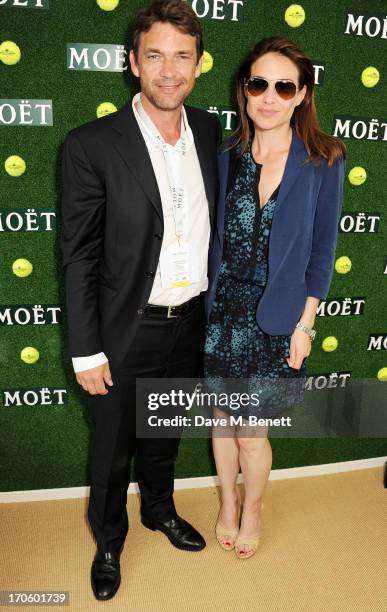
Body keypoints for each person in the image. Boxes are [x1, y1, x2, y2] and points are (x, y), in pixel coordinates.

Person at [61, 0, 221, 601]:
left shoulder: (210, 131)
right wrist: (85, 351)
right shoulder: (91, 144)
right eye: (155, 55)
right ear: (134, 63)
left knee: (165, 436)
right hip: (125, 329)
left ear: (199, 65)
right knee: (111, 451)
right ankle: (108, 541)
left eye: (182, 56)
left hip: (191, 323)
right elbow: (78, 255)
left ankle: (159, 510)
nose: (169, 70)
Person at [204, 37, 346, 559]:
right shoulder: (226, 154)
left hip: (277, 319)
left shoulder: (324, 160)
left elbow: (323, 251)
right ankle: (226, 504)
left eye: (283, 85)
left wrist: (305, 326)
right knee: (222, 421)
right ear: (244, 91)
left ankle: (254, 508)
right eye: (258, 83)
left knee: (250, 435)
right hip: (222, 313)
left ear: (302, 94)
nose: (269, 95)